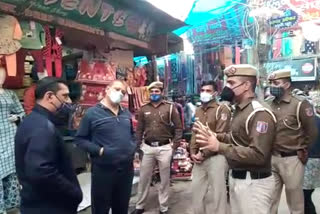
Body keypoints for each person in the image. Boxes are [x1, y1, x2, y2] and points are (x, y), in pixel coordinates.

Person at [194, 64, 277, 214]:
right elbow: (236, 138)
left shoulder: (259, 113)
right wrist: (215, 136)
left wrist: (219, 146)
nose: (226, 87)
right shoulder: (239, 110)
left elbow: (259, 155)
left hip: (254, 184)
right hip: (238, 179)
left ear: (246, 85)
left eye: (231, 83)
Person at [15, 77, 82, 214]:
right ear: (50, 96)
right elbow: (41, 171)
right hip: (49, 206)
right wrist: (73, 191)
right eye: (65, 96)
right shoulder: (42, 127)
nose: (68, 101)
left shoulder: (33, 120)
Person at [75, 80, 136, 214]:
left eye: (123, 92)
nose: (120, 93)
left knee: (121, 207)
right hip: (104, 170)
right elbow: (80, 139)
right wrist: (99, 151)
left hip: (126, 170)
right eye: (117, 89)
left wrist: (133, 148)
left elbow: (132, 134)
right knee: (101, 208)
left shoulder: (125, 113)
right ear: (107, 89)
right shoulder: (92, 113)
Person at [267, 69, 318, 214]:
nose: (272, 86)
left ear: (287, 84)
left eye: (276, 83)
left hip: (293, 159)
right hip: (272, 158)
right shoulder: (268, 104)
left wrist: (303, 148)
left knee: (295, 201)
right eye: (271, 83)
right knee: (270, 200)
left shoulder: (300, 104)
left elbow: (312, 131)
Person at [132, 81, 183, 214]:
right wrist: (139, 145)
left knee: (164, 179)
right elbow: (139, 129)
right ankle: (140, 206)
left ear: (161, 92)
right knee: (144, 178)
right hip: (147, 148)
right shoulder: (143, 109)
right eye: (152, 91)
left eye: (157, 91)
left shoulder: (170, 108)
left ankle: (163, 207)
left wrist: (175, 145)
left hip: (165, 147)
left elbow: (179, 127)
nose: (154, 94)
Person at [190, 80, 231, 214]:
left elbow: (220, 135)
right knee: (197, 193)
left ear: (215, 93)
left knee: (218, 194)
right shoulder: (198, 110)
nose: (204, 93)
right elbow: (195, 133)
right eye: (202, 91)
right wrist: (192, 152)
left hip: (217, 157)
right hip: (199, 158)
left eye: (208, 91)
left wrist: (203, 153)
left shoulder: (222, 109)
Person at [303, 104, 320, 214]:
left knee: (304, 196)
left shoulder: (304, 122)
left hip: (309, 159)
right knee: (306, 194)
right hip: (316, 160)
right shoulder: (317, 120)